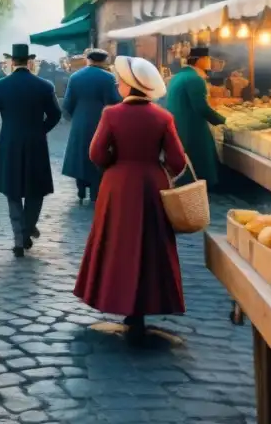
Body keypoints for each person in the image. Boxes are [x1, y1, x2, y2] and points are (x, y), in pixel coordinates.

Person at [74, 56, 187, 342]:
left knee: (116, 242)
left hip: (119, 185)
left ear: (129, 85)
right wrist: (157, 169)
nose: (117, 84)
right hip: (152, 185)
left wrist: (116, 161)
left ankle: (120, 300)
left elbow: (96, 154)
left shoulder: (111, 114)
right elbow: (177, 159)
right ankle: (145, 305)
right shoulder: (163, 117)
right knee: (151, 244)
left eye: (119, 80)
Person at [0, 44, 61, 257]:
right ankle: (27, 229)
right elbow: (55, 114)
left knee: (12, 190)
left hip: (10, 142)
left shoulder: (0, 85)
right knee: (36, 189)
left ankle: (18, 238)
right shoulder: (44, 85)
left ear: (12, 62)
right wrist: (41, 129)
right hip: (36, 142)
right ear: (30, 62)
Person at [62, 48, 122, 205]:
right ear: (103, 61)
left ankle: (81, 189)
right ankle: (96, 191)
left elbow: (68, 102)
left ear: (88, 60)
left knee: (81, 153)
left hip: (80, 120)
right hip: (102, 120)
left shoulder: (75, 77)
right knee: (100, 153)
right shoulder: (108, 78)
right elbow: (114, 100)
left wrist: (70, 116)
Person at [166, 47, 225, 188]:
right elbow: (201, 107)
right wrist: (223, 121)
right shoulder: (194, 79)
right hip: (191, 126)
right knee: (200, 157)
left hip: (179, 124)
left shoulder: (179, 76)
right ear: (200, 60)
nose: (210, 61)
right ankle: (204, 187)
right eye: (208, 58)